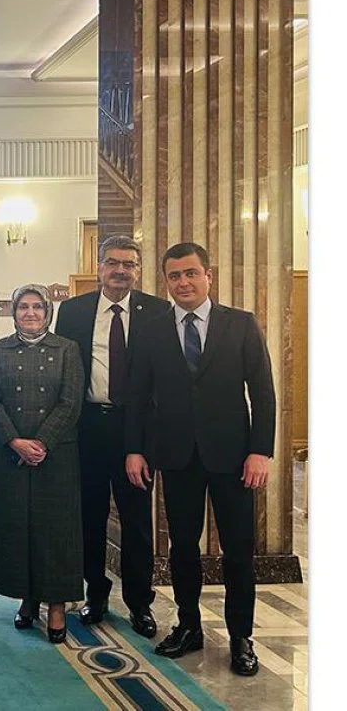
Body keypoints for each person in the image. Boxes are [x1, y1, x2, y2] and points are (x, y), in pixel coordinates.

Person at [125, 242, 275, 677]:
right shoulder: (151, 329)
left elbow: (263, 393)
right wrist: (135, 449)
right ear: (166, 282)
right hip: (176, 456)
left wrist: (260, 451)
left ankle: (241, 636)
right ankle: (189, 624)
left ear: (208, 275)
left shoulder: (240, 324)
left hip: (233, 458)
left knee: (238, 550)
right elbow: (137, 397)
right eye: (174, 276)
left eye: (191, 273)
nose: (183, 282)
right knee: (183, 547)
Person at [54, 235, 168, 639]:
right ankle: (96, 594)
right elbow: (64, 372)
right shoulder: (72, 311)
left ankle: (139, 602)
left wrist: (147, 442)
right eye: (113, 263)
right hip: (87, 427)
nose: (121, 270)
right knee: (90, 517)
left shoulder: (158, 311)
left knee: (137, 521)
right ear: (99, 267)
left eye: (129, 264)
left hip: (135, 431)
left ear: (138, 270)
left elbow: (162, 379)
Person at [0, 284, 84, 643]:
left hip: (56, 455)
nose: (30, 313)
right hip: (11, 455)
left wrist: (41, 443)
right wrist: (15, 441)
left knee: (55, 531)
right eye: (23, 307)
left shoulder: (67, 349)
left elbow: (71, 401)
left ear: (48, 312)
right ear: (14, 313)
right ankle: (27, 597)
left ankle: (56, 605)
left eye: (37, 307)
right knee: (18, 526)